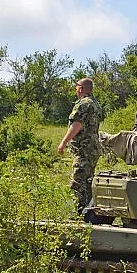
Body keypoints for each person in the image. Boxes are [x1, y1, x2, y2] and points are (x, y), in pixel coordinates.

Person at [57, 77, 103, 213]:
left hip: (84, 149)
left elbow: (76, 125)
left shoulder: (83, 104)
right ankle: (89, 212)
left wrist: (63, 143)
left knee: (78, 181)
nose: (75, 89)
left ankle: (80, 213)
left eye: (77, 86)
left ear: (81, 88)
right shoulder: (95, 104)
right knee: (88, 181)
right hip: (93, 148)